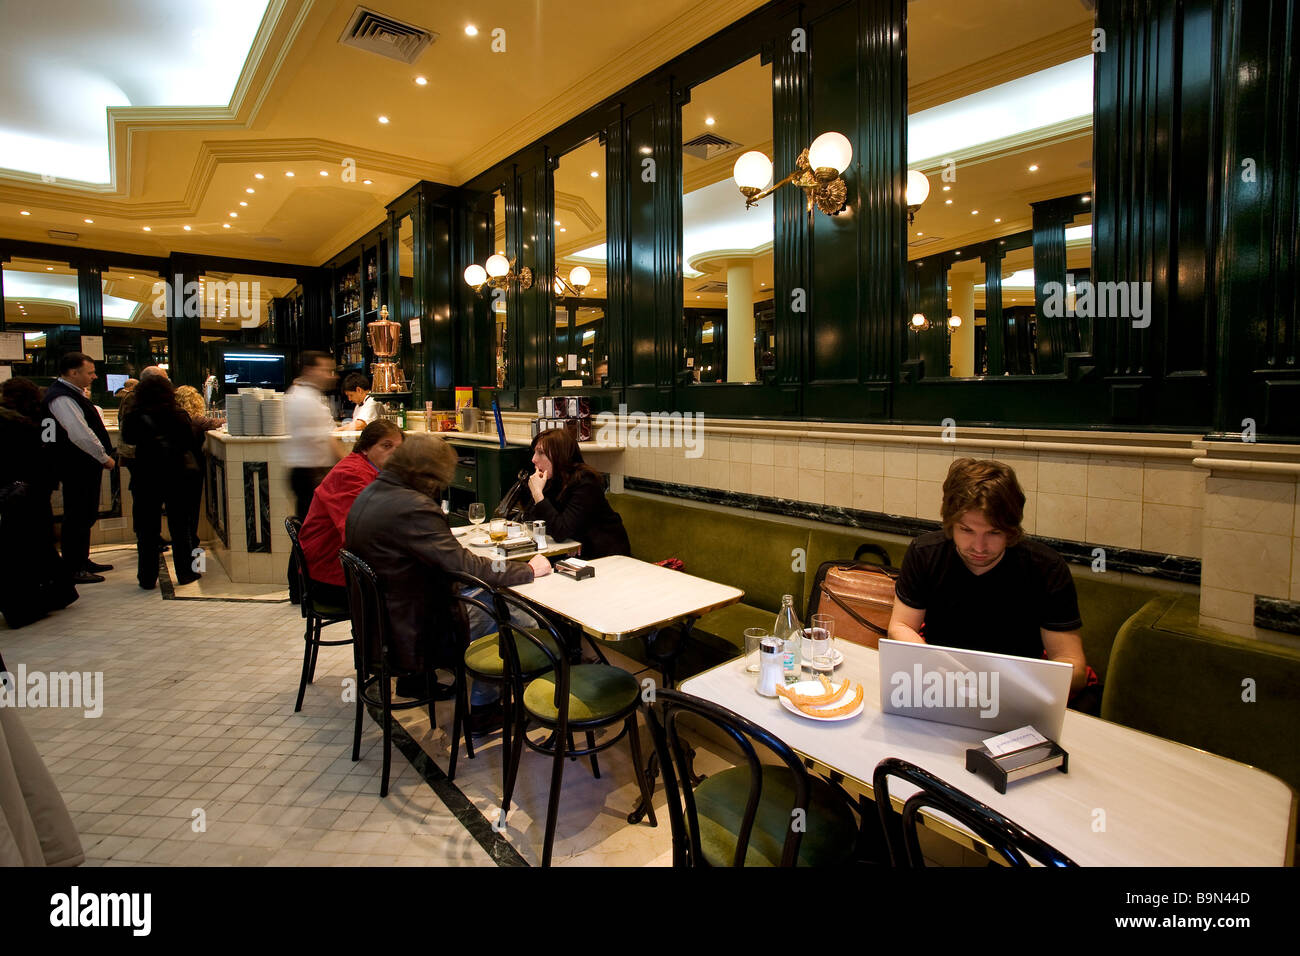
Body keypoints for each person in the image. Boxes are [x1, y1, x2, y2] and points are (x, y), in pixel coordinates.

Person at [345, 434, 552, 701]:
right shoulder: (413, 507)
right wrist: (527, 570)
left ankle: (421, 682)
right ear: (431, 474)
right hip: (410, 632)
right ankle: (487, 705)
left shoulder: (373, 493)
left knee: (486, 594)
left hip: (378, 622)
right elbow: (465, 567)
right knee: (504, 603)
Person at [887, 458, 1088, 692]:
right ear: (950, 523)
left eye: (994, 532)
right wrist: (936, 663)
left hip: (1016, 695)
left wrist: (1017, 687)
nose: (979, 547)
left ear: (1011, 530)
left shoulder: (1046, 568)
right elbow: (900, 626)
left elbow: (1072, 665)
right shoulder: (925, 553)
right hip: (940, 686)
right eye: (967, 530)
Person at [299, 419, 403, 608]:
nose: (395, 452)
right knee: (416, 593)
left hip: (343, 568)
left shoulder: (373, 471)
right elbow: (357, 534)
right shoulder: (351, 474)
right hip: (329, 577)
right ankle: (378, 637)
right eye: (387, 446)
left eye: (399, 447)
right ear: (365, 448)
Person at [0, 377, 78, 626]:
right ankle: (53, 594)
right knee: (39, 544)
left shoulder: (6, 422)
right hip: (35, 490)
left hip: (11, 492)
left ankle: (26, 605)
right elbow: (50, 450)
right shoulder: (42, 420)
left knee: (17, 551)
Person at [40, 352, 116, 584]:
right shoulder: (61, 397)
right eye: (90, 372)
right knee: (78, 516)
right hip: (76, 465)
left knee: (85, 513)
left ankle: (82, 559)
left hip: (81, 464)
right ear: (73, 372)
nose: (94, 376)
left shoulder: (71, 394)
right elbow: (79, 433)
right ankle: (74, 567)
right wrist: (103, 457)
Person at [121, 375, 200, 589]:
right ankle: (185, 572)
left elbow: (127, 439)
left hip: (145, 476)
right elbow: (189, 443)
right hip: (176, 476)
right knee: (180, 528)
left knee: (147, 530)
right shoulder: (178, 414)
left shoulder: (135, 416)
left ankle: (146, 578)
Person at [284, 351, 344, 599]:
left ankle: (298, 587)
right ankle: (302, 588)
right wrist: (348, 465)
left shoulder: (296, 393)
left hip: (302, 471)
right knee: (311, 534)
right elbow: (330, 441)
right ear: (310, 370)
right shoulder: (309, 400)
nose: (331, 375)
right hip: (311, 473)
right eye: (325, 370)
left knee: (307, 531)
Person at [524, 428, 629, 558]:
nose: (533, 459)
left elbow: (560, 531)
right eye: (534, 452)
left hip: (606, 555)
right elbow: (529, 520)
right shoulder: (553, 479)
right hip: (575, 552)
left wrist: (538, 495)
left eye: (541, 453)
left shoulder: (585, 482)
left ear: (559, 455)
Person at [174, 385, 221, 546]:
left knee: (182, 510)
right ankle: (190, 542)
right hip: (192, 469)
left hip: (178, 469)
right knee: (190, 508)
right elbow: (215, 422)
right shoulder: (195, 419)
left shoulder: (177, 416)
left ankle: (187, 542)